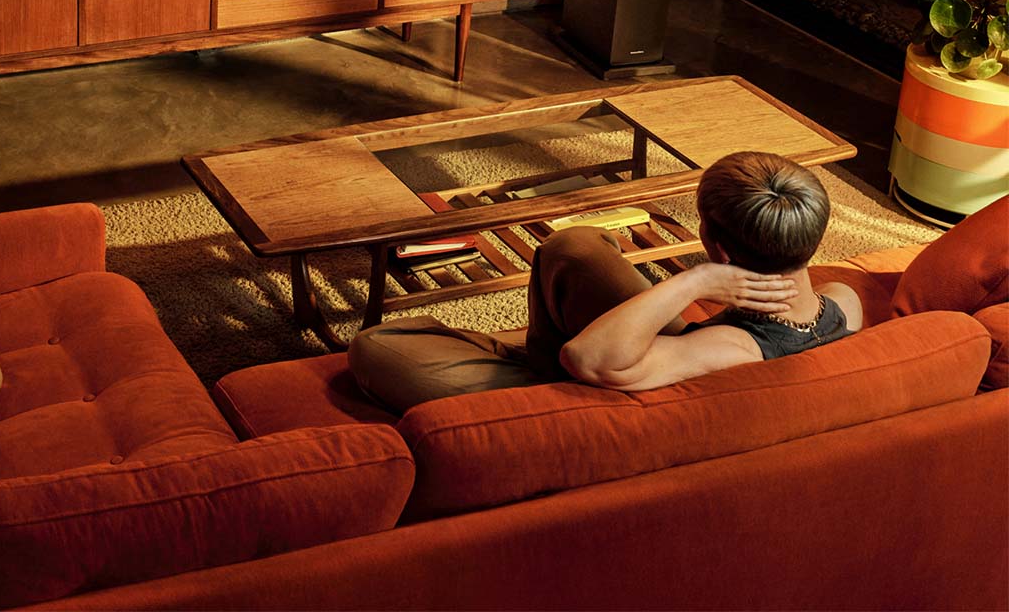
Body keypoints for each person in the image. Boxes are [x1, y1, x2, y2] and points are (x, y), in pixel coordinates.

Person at [348, 151, 863, 412]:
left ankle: (519, 358)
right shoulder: (845, 302)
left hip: (587, 391)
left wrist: (697, 281)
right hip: (655, 348)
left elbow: (587, 359)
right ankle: (520, 344)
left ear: (719, 248)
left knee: (379, 345)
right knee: (573, 248)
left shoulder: (727, 349)